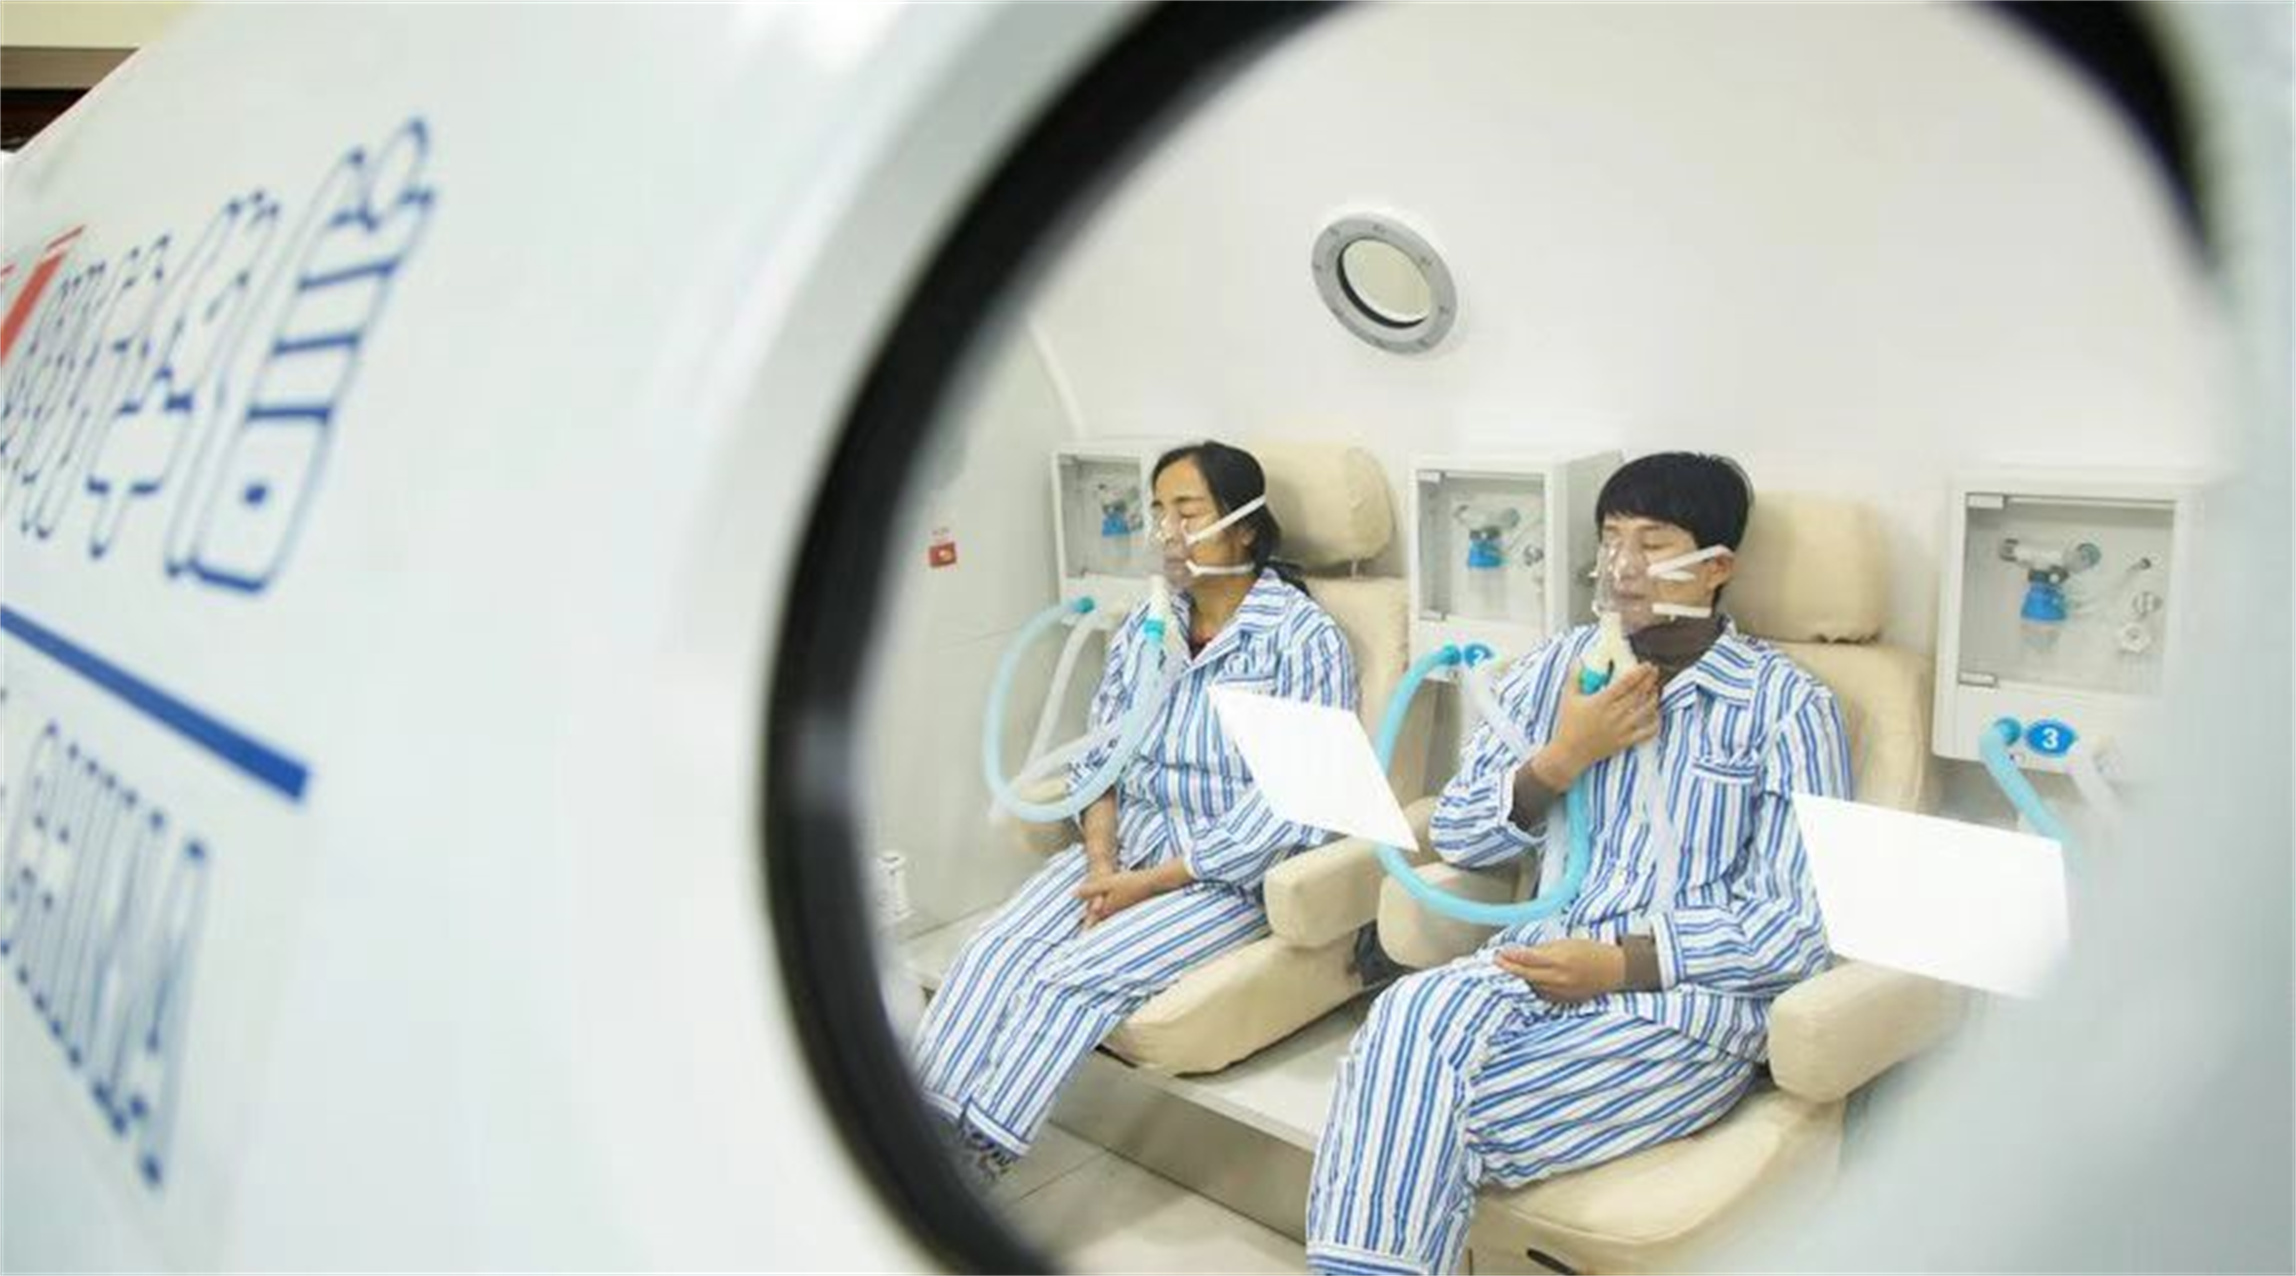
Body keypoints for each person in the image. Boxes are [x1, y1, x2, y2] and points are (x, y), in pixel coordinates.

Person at [1306, 452, 1849, 1275]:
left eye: (1652, 543)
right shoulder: (1561, 672)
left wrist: (1623, 963)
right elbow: (1457, 829)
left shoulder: (1787, 708)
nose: (1623, 567)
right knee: (1408, 1010)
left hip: (1681, 1008)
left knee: (1398, 1113)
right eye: (1611, 540)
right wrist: (1561, 759)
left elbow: (1796, 926)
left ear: (1717, 567)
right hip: (1530, 964)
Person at [914, 440, 1359, 1181]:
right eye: (1158, 512)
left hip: (1222, 874)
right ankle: (914, 1143)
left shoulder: (1301, 640)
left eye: (1189, 511)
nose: (1168, 532)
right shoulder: (1149, 627)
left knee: (1068, 977)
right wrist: (1101, 864)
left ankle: (969, 1166)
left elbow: (1293, 809)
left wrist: (1147, 885)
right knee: (994, 950)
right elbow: (1101, 756)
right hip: (1122, 850)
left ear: (1246, 527)